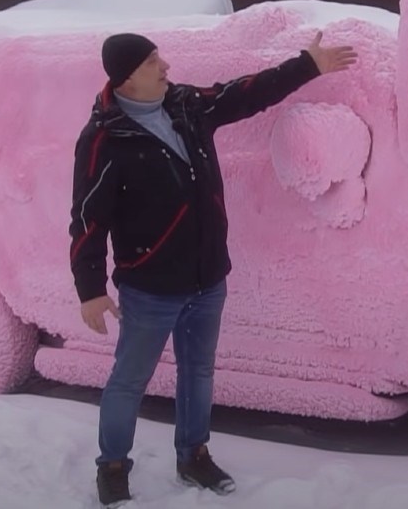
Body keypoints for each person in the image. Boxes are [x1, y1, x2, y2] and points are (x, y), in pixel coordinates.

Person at [69, 30, 357, 507]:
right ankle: (113, 465)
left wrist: (306, 65)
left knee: (198, 372)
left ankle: (193, 455)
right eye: (151, 63)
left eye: (160, 58)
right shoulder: (104, 138)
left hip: (207, 278)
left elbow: (246, 93)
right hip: (150, 287)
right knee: (129, 380)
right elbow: (87, 216)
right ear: (125, 79)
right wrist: (90, 289)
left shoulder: (186, 104)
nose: (165, 68)